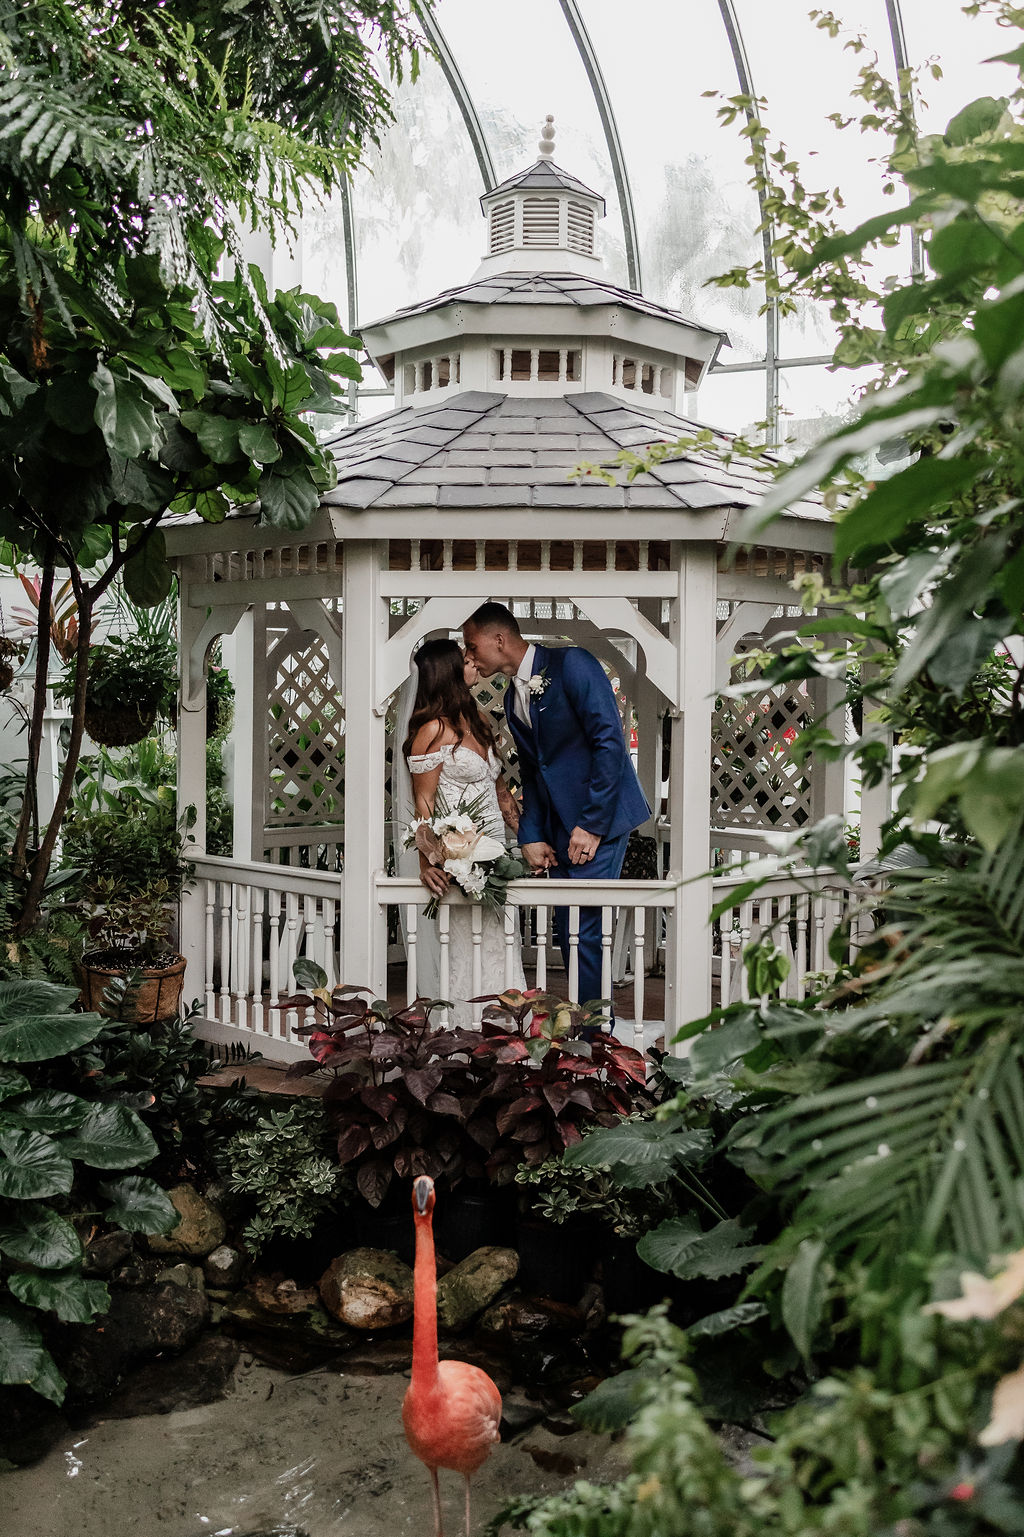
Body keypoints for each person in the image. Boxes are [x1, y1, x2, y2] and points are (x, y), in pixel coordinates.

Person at [462, 603, 652, 1016]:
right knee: (569, 930)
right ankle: (585, 1024)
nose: (469, 656)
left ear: (499, 639)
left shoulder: (573, 664)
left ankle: (594, 1033)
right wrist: (531, 835)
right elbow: (534, 772)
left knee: (584, 929)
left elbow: (610, 744)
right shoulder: (513, 696)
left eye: (472, 646)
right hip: (557, 826)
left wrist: (592, 824)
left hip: (598, 820)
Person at [400, 637, 524, 1025]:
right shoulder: (430, 730)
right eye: (466, 660)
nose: (473, 663)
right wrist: (428, 862)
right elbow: (424, 803)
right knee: (464, 948)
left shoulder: (477, 719)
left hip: (496, 850)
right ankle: (462, 1029)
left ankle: (506, 1027)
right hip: (460, 855)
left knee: (503, 943)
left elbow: (500, 789)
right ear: (448, 672)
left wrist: (526, 832)